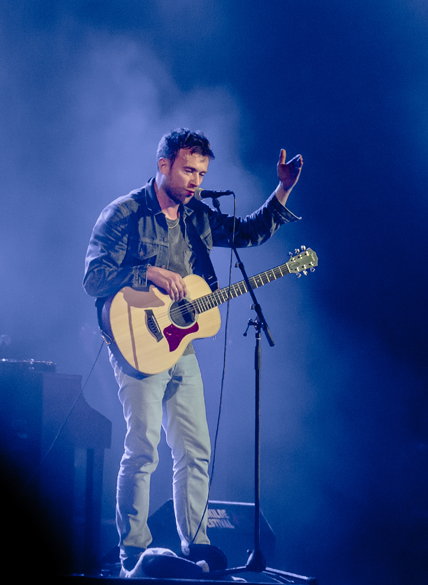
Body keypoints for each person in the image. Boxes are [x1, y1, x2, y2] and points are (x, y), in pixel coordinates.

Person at [83, 128, 303, 576]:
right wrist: (146, 273)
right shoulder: (124, 213)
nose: (195, 181)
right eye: (188, 170)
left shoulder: (196, 216)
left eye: (201, 173)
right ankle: (133, 555)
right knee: (143, 450)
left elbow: (247, 233)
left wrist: (282, 190)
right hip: (134, 344)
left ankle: (195, 544)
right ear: (163, 165)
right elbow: (94, 278)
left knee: (195, 449)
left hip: (178, 347)